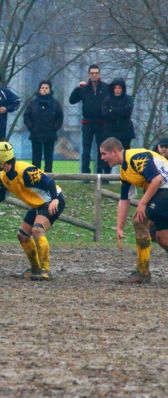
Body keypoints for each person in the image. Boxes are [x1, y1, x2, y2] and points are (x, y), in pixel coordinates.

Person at [0, 142, 65, 281]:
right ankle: (35, 269)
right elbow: (1, 195)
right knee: (22, 236)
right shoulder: (4, 176)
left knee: (37, 230)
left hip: (53, 200)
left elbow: (49, 182)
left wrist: (55, 199)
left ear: (3, 159)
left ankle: (45, 271)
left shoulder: (25, 171)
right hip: (37, 205)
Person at [100, 137, 168, 284]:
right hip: (161, 191)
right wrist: (119, 228)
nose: (102, 158)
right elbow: (124, 200)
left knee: (140, 220)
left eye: (104, 154)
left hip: (164, 189)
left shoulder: (136, 157)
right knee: (162, 237)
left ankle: (143, 272)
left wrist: (143, 203)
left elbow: (157, 179)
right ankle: (143, 272)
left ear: (115, 151)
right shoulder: (125, 171)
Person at [69, 64, 110, 174]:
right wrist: (77, 88)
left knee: (101, 150)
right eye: (92, 73)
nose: (94, 75)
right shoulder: (84, 88)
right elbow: (72, 100)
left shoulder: (106, 88)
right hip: (87, 123)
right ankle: (85, 174)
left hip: (102, 123)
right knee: (86, 150)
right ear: (89, 74)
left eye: (96, 73)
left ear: (99, 74)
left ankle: (101, 174)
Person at [23, 80, 64, 172]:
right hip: (36, 134)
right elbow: (26, 116)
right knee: (36, 158)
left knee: (48, 158)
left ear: (50, 90)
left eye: (46, 88)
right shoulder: (32, 103)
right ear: (39, 89)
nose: (44, 90)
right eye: (42, 88)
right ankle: (35, 177)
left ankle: (48, 177)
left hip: (50, 134)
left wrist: (55, 128)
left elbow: (60, 117)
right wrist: (31, 127)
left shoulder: (55, 104)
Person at [101, 78, 135, 173]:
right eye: (115, 88)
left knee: (126, 154)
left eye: (119, 88)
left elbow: (127, 112)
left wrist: (113, 110)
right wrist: (120, 110)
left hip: (125, 131)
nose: (117, 90)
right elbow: (105, 114)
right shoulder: (107, 99)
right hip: (110, 131)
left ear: (123, 89)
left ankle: (127, 175)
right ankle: (106, 177)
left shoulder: (128, 99)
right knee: (108, 152)